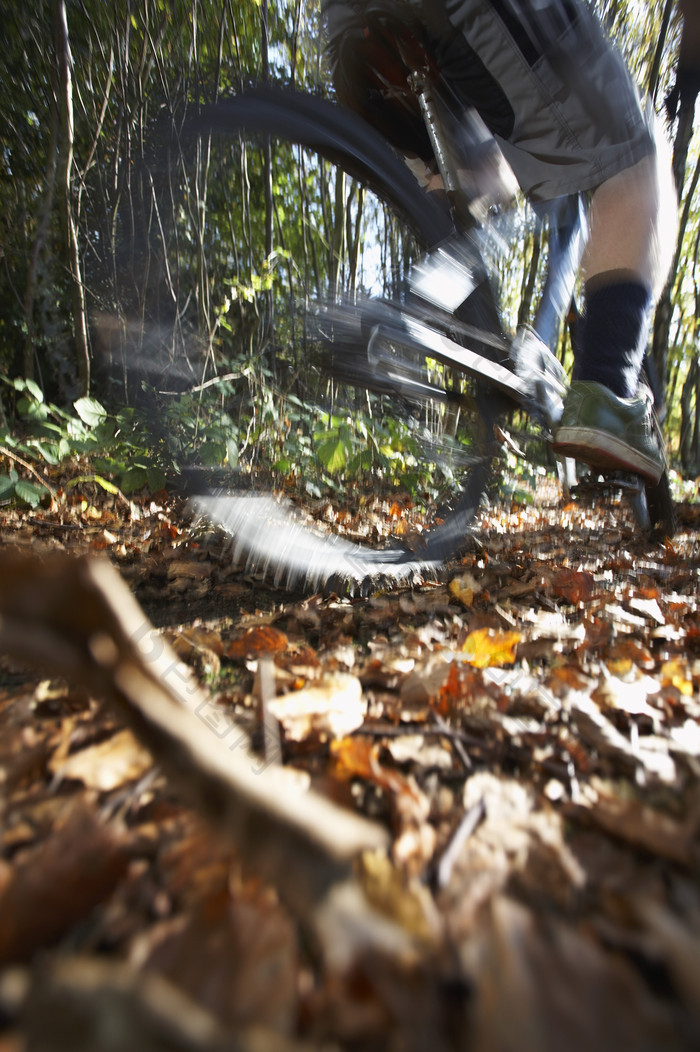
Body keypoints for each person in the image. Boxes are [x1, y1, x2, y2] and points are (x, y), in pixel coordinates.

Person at [322, 0, 681, 483]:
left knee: (479, 169)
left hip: (351, 39)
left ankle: (421, 307)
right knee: (636, 160)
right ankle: (610, 386)